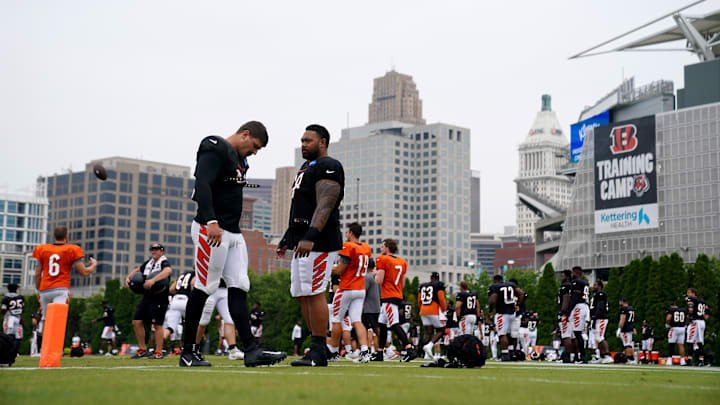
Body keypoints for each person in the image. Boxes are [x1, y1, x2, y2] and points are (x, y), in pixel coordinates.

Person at [181, 121, 284, 368]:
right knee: (205, 286)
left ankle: (251, 350)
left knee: (240, 285)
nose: (255, 152)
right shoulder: (215, 146)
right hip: (212, 229)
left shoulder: (239, 160)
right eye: (255, 146)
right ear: (245, 134)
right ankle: (187, 351)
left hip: (233, 233)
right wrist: (211, 220)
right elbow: (202, 184)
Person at [276, 124, 344, 367]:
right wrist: (288, 237)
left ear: (322, 142)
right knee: (301, 294)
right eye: (302, 140)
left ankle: (318, 349)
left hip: (319, 242)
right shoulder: (306, 167)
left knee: (314, 292)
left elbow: (325, 203)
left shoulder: (329, 166)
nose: (303, 144)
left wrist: (311, 234)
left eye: (308, 140)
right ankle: (318, 346)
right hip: (303, 240)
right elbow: (301, 208)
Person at [33, 226, 97, 343]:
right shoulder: (72, 249)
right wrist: (93, 265)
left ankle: (43, 350)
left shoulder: (42, 249)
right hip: (61, 288)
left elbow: (37, 274)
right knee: (58, 320)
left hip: (45, 289)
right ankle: (54, 349)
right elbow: (83, 272)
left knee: (45, 320)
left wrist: (39, 289)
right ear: (66, 237)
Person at [328, 222, 372, 363]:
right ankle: (365, 351)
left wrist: (327, 267)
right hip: (360, 289)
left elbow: (340, 270)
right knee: (357, 321)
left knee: (336, 320)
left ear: (351, 233)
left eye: (347, 232)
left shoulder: (348, 246)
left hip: (346, 288)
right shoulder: (366, 247)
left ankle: (334, 353)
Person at [371, 239, 417, 362]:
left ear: (387, 247)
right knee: (382, 324)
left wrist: (375, 273)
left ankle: (409, 349)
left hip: (388, 296)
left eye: (382, 246)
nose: (381, 249)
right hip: (397, 294)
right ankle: (380, 352)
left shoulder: (383, 259)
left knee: (394, 324)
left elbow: (379, 281)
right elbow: (402, 283)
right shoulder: (402, 261)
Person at [126, 243, 172, 359]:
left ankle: (158, 352)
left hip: (159, 296)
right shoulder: (149, 263)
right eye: (152, 249)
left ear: (162, 252)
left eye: (156, 249)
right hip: (147, 296)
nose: (154, 251)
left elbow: (168, 271)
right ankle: (142, 349)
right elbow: (138, 269)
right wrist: (129, 278)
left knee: (157, 325)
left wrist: (154, 280)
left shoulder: (163, 261)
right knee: (136, 321)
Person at [197, 279, 241, 359]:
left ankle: (232, 349)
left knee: (229, 319)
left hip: (224, 288)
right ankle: (194, 348)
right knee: (204, 321)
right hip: (210, 287)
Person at [488, 274, 524, 361]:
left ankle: (505, 354)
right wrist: (518, 304)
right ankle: (511, 352)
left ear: (495, 280)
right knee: (510, 334)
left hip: (502, 313)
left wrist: (490, 310)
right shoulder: (511, 285)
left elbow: (493, 300)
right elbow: (522, 293)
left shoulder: (495, 286)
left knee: (502, 334)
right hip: (512, 313)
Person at [163, 270, 194, 355]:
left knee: (170, 327)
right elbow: (192, 285)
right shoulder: (195, 274)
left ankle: (159, 347)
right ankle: (192, 348)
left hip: (175, 300)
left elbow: (171, 289)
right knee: (192, 324)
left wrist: (180, 291)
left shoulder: (183, 274)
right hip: (186, 300)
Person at [419, 272, 447, 360]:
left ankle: (425, 354)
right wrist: (444, 309)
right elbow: (441, 298)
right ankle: (429, 346)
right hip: (434, 310)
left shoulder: (423, 286)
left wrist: (423, 309)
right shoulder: (438, 285)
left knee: (428, 333)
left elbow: (419, 300)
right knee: (441, 330)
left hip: (423, 310)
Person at [569, 266, 590, 363]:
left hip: (579, 307)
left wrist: (568, 311)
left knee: (577, 333)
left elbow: (575, 298)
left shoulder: (576, 282)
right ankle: (580, 356)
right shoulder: (585, 282)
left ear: (575, 273)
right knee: (578, 333)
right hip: (585, 306)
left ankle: (582, 357)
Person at [686, 287, 709, 366]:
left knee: (690, 340)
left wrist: (689, 318)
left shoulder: (692, 300)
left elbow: (691, 310)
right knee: (700, 341)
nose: (687, 294)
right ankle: (701, 360)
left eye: (689, 293)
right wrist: (705, 318)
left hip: (695, 322)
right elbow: (707, 310)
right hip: (702, 322)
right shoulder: (702, 301)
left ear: (693, 293)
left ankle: (689, 360)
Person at [362, 259, 381, 353]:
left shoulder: (367, 277)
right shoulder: (375, 276)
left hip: (369, 308)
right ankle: (367, 349)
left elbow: (363, 292)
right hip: (376, 306)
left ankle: (385, 348)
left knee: (370, 329)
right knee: (375, 329)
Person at [557, 270, 574, 363]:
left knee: (566, 336)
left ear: (567, 276)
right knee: (572, 336)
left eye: (563, 275)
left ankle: (567, 356)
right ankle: (573, 355)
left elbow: (566, 298)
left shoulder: (565, 285)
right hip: (572, 313)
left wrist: (563, 312)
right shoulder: (571, 285)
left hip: (565, 313)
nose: (561, 277)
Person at [1, 283, 24, 350]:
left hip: (9, 318)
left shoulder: (6, 298)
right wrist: (22, 318)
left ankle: (10, 351)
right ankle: (16, 351)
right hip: (18, 318)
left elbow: (3, 309)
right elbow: (21, 309)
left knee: (8, 336)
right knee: (18, 336)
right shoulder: (20, 297)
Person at [616, 297, 636, 364]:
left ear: (622, 302)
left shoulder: (624, 309)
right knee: (629, 344)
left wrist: (619, 328)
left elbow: (622, 319)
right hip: (630, 328)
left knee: (626, 344)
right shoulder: (631, 308)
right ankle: (632, 358)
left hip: (625, 329)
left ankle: (630, 359)